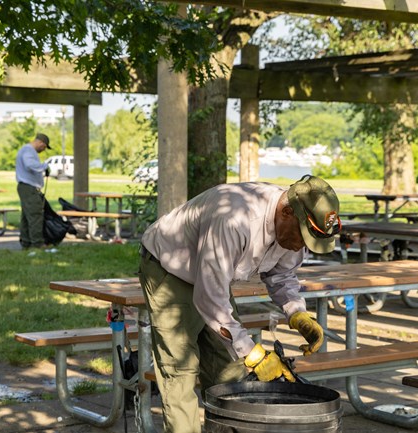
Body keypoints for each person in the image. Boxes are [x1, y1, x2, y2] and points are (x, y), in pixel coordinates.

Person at [138, 175, 341, 433]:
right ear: (287, 211)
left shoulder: (296, 225)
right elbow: (210, 297)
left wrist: (297, 312)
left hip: (213, 276)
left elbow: (282, 275)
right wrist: (252, 353)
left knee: (228, 371)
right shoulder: (235, 219)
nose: (301, 246)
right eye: (303, 237)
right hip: (170, 268)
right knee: (180, 370)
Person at [15, 132, 52, 249]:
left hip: (26, 187)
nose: (43, 150)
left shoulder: (26, 150)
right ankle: (38, 244)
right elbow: (29, 164)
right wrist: (44, 166)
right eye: (44, 147)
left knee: (26, 217)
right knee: (36, 215)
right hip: (29, 188)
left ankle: (26, 243)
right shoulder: (28, 150)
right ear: (41, 142)